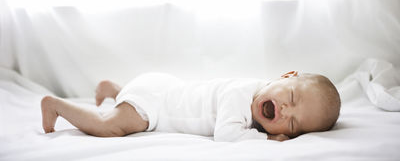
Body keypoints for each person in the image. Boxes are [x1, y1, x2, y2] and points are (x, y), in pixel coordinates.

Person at [41, 71, 341, 142]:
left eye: (292, 125)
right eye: (290, 99)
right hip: (156, 104)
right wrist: (267, 138)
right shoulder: (240, 97)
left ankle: (116, 90)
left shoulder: (253, 90)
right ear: (285, 76)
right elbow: (226, 134)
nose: (286, 112)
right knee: (111, 126)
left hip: (161, 86)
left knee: (133, 100)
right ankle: (56, 106)